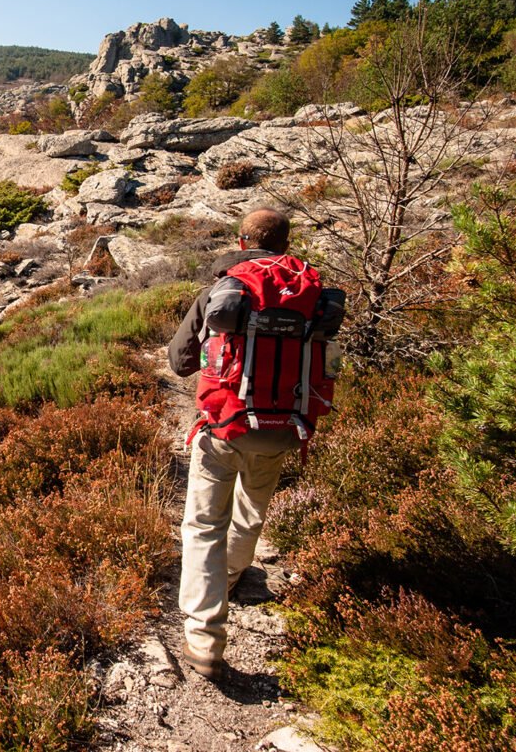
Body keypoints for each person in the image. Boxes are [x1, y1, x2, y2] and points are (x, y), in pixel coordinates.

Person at [167, 207, 303, 680]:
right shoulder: (308, 292)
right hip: (285, 427)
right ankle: (233, 572)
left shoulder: (224, 288)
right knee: (252, 506)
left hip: (224, 425)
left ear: (243, 242)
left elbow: (180, 361)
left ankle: (204, 638)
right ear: (285, 244)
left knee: (204, 524)